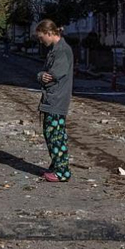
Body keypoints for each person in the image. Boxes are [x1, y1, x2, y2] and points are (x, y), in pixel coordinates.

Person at [35, 19, 74, 183]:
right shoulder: (55, 50)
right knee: (52, 134)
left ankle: (62, 171)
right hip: (52, 99)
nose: (40, 41)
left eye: (41, 37)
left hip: (56, 100)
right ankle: (57, 165)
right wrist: (40, 75)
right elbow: (44, 75)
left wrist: (41, 77)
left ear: (49, 33)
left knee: (55, 136)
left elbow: (51, 76)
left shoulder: (62, 51)